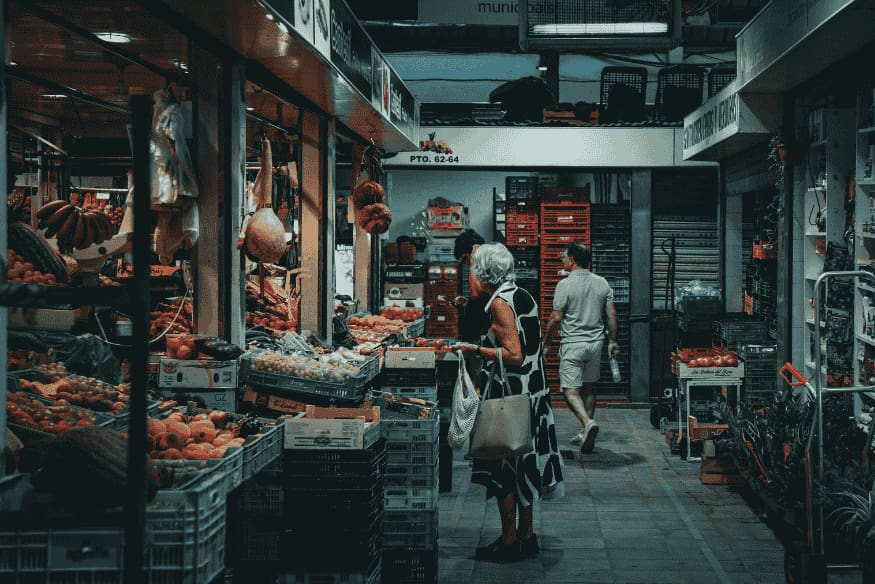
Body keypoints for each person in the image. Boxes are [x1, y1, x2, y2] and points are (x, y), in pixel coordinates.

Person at [453, 243, 564, 562]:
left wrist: (474, 350)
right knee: (525, 465)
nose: (470, 277)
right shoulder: (522, 294)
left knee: (505, 470)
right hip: (533, 396)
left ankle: (509, 541)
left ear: (483, 275)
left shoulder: (500, 303)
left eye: (472, 271)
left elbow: (514, 355)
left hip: (510, 395)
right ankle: (527, 536)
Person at [542, 242, 618, 455]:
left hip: (573, 344)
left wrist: (546, 343)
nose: (562, 260)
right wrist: (613, 341)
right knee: (589, 389)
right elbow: (612, 315)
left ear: (572, 260)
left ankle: (587, 422)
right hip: (596, 344)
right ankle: (586, 433)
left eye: (564, 257)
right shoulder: (602, 282)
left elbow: (555, 318)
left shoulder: (564, 285)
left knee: (569, 391)